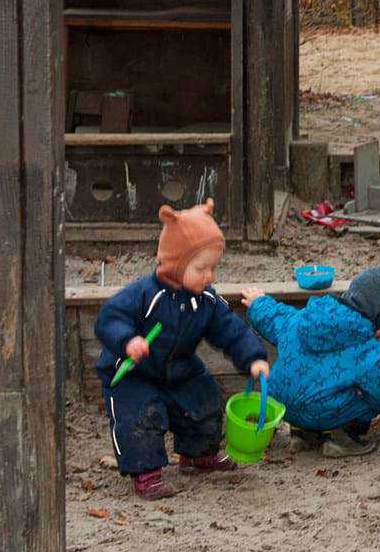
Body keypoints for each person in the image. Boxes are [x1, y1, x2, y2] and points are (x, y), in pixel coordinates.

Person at [94, 200, 270, 500]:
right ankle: (145, 472)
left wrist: (253, 357)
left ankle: (198, 455)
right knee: (140, 414)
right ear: (176, 262)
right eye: (202, 268)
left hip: (179, 368)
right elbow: (110, 318)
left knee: (205, 399)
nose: (209, 276)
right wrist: (128, 341)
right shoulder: (145, 294)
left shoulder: (206, 300)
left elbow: (230, 327)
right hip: (134, 372)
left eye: (213, 267)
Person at [241, 266, 380, 460]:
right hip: (319, 412)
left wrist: (257, 303)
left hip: (280, 404)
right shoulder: (365, 349)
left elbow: (275, 316)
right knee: (371, 394)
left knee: (309, 385)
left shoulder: (304, 318)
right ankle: (339, 436)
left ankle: (301, 433)